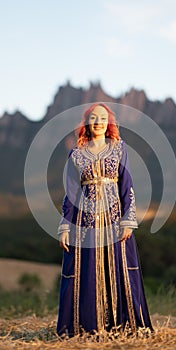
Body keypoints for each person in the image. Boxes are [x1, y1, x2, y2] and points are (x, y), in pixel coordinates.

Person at [56, 102, 154, 338]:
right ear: (87, 124)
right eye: (93, 118)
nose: (98, 122)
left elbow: (127, 186)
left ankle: (120, 326)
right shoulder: (76, 155)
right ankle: (86, 327)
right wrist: (65, 227)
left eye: (102, 118)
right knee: (86, 269)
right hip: (85, 223)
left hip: (114, 220)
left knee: (118, 266)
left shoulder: (120, 149)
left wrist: (128, 220)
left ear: (108, 122)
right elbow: (71, 193)